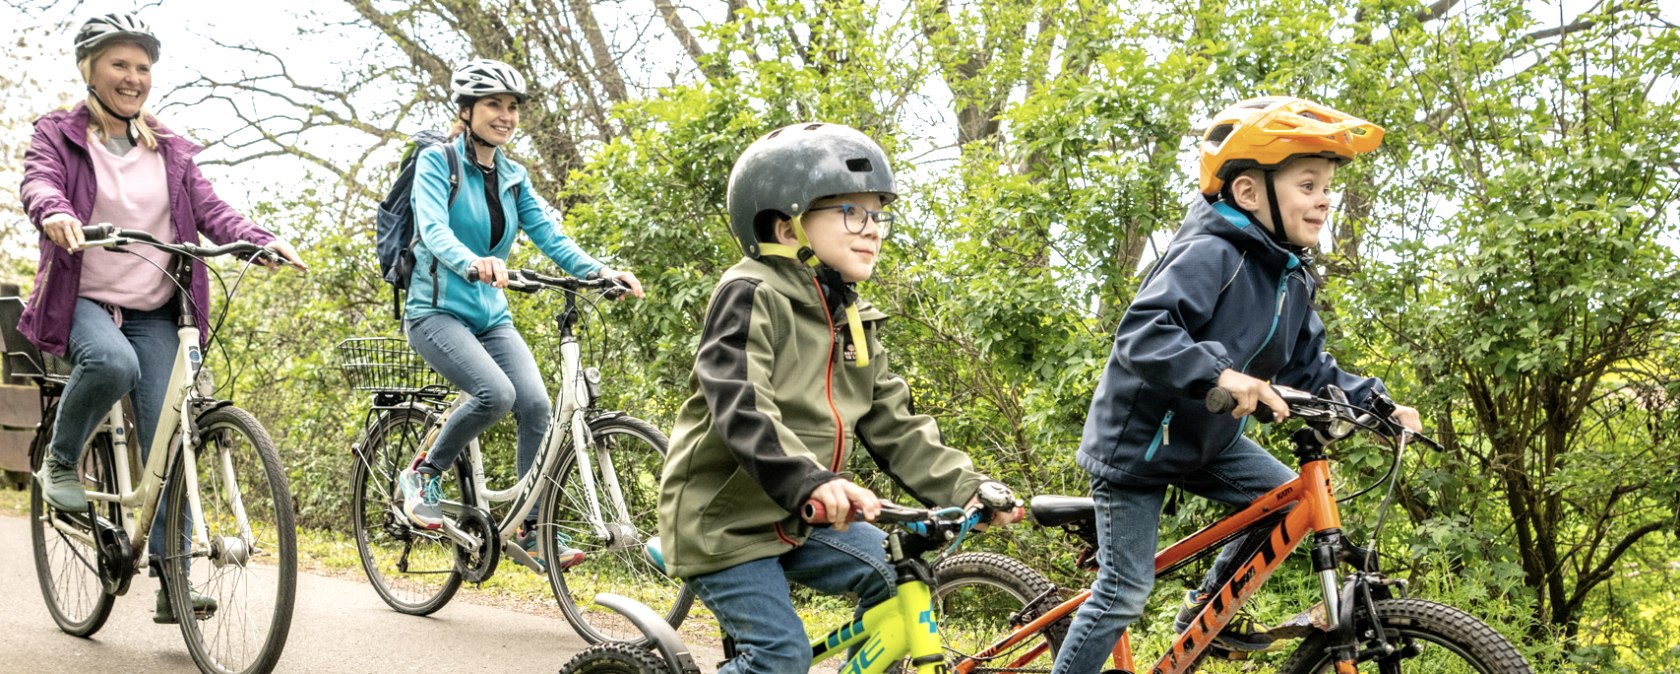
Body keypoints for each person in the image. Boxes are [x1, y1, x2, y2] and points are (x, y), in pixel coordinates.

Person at [1050, 96, 1425, 673]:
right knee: (1124, 591)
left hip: (1210, 440)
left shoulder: (1290, 276)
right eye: (1308, 184)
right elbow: (1142, 334)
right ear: (1250, 193)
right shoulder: (1209, 253)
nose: (1326, 199)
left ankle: (1205, 610)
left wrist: (1377, 405)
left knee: (1283, 506)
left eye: (1328, 186)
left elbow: (1309, 369)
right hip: (1139, 448)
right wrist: (1219, 373)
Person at [657, 122, 1017, 674]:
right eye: (851, 212)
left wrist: (967, 488)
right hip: (726, 522)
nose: (872, 230)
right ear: (785, 224)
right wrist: (813, 480)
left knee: (897, 583)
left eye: (878, 215)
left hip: (804, 520)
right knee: (780, 658)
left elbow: (892, 421)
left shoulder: (851, 316)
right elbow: (741, 403)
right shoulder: (751, 292)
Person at [21, 12, 307, 624]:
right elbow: (40, 183)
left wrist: (259, 239)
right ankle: (62, 462)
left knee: (169, 437)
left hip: (158, 307)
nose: (133, 77)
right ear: (90, 71)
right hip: (84, 300)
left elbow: (212, 209)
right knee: (111, 362)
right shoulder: (59, 133)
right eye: (119, 65)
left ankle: (170, 579)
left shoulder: (171, 147)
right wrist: (54, 213)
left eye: (142, 67)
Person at [396, 58, 644, 571]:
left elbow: (550, 237)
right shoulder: (437, 163)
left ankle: (531, 529)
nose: (506, 116)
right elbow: (434, 231)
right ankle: (425, 472)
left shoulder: (513, 175)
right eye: (494, 105)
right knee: (495, 394)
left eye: (512, 107)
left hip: (491, 317)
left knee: (536, 406)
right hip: (435, 312)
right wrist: (473, 262)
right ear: (465, 111)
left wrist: (602, 272)